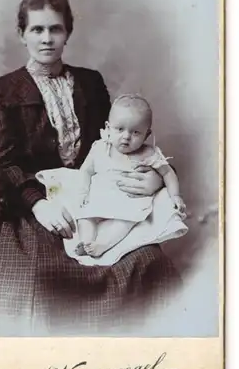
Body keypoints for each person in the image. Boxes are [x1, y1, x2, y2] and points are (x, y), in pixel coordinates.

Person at [0, 0, 182, 336]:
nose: (47, 39)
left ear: (67, 33)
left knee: (149, 261)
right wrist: (38, 206)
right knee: (42, 273)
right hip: (34, 197)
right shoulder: (3, 89)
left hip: (96, 192)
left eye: (55, 29)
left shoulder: (90, 83)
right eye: (37, 30)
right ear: (22, 34)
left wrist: (156, 179)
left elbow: (120, 141)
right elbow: (4, 162)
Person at [74, 94, 187, 258]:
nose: (126, 136)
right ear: (108, 127)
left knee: (127, 220)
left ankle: (103, 245)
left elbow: (168, 172)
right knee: (85, 215)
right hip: (102, 194)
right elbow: (86, 171)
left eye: (135, 132)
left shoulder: (148, 153)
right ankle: (86, 241)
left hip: (130, 199)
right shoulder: (100, 148)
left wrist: (175, 195)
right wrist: (83, 192)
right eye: (119, 129)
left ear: (147, 135)